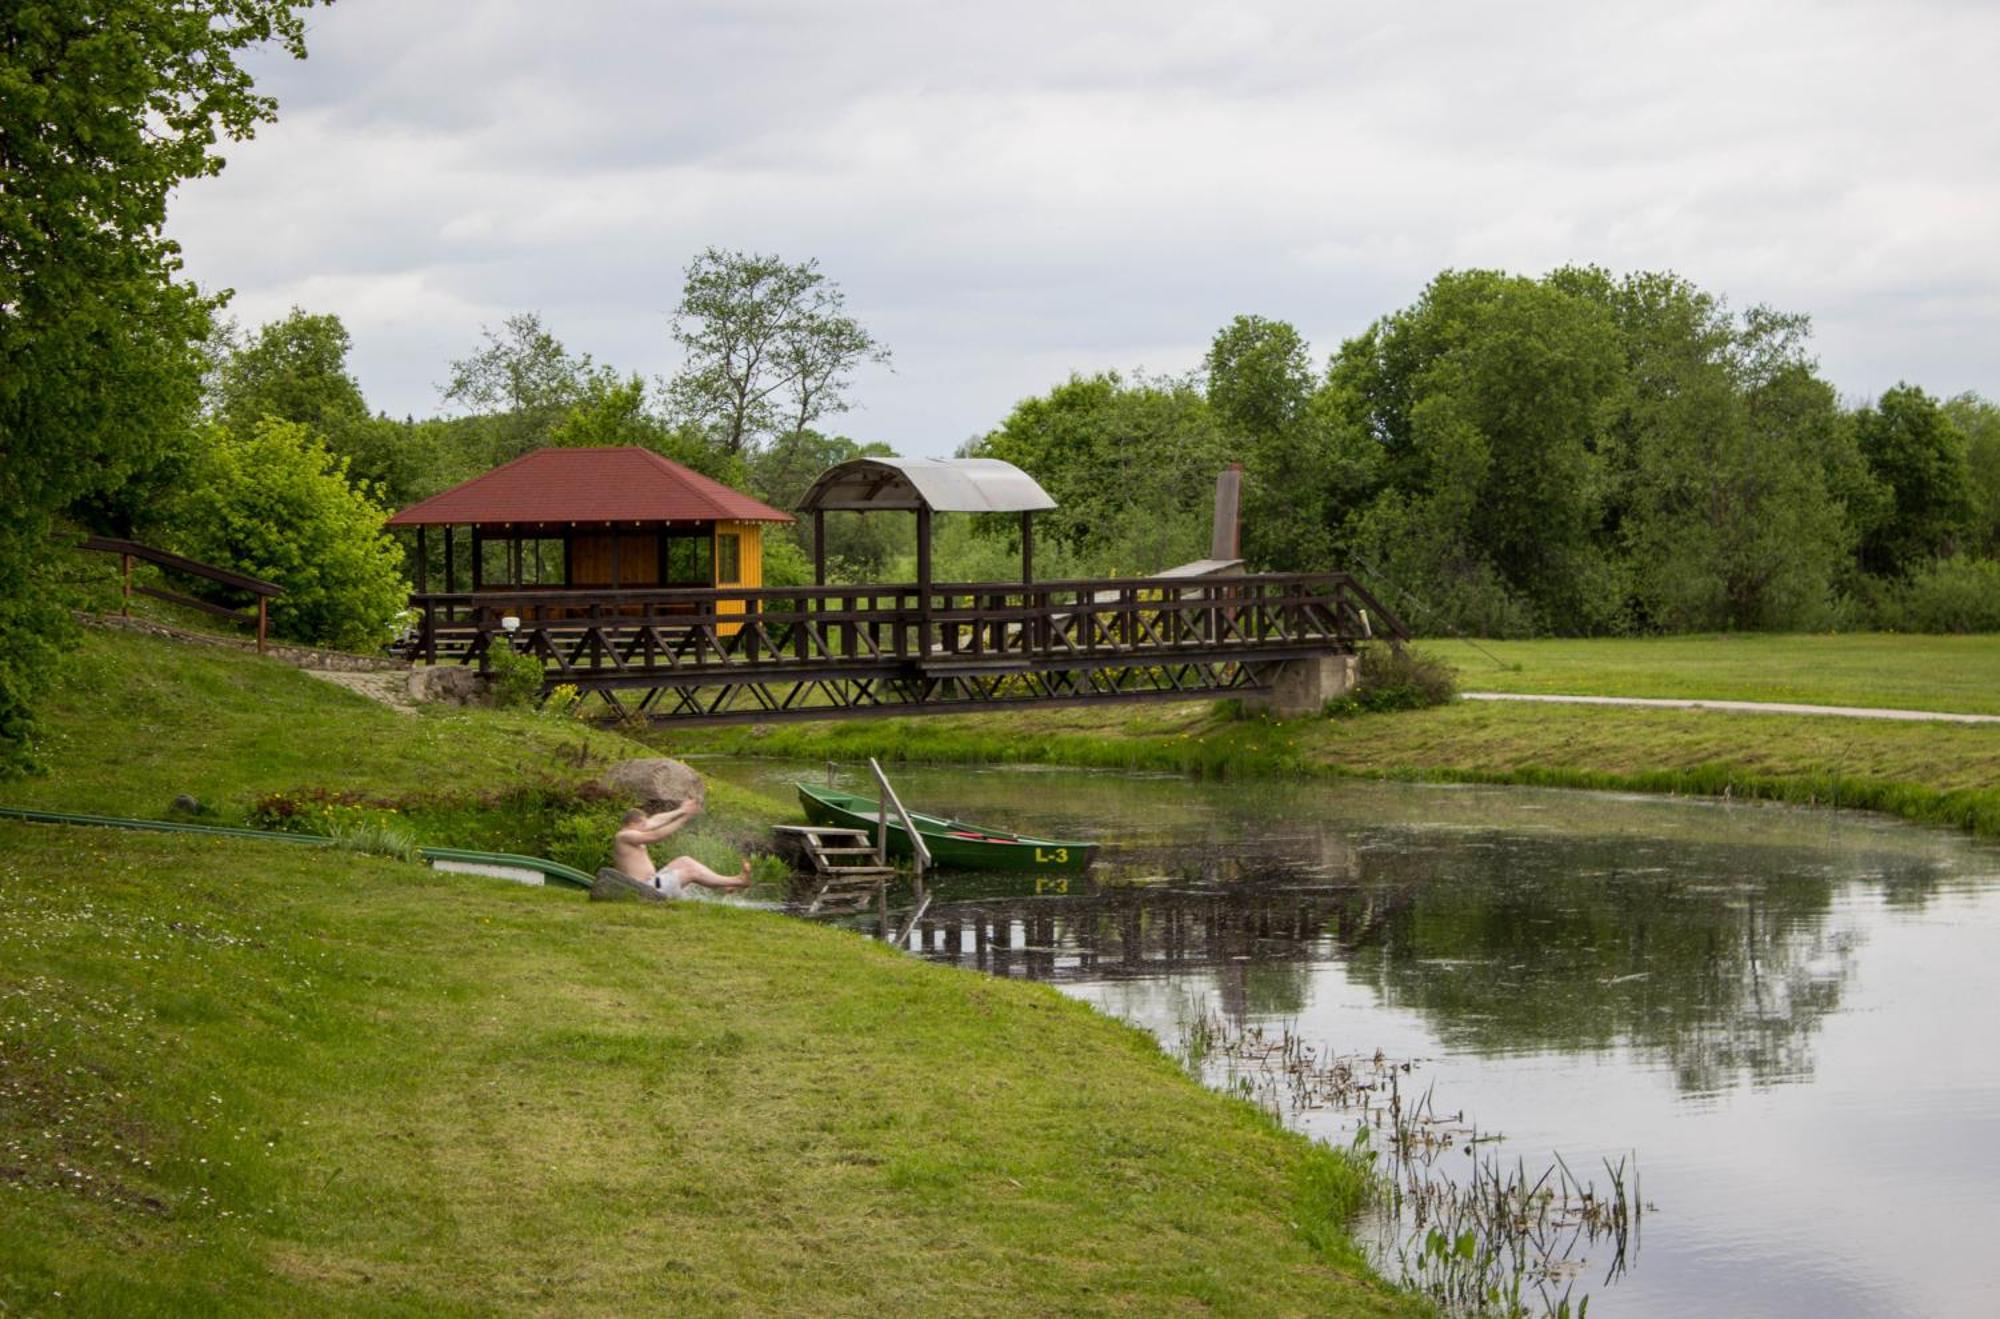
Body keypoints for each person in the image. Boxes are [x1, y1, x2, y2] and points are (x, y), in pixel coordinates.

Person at [609, 800, 752, 898]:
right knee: (691, 872)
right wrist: (683, 819)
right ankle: (739, 881)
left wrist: (681, 810)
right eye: (643, 824)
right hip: (645, 889)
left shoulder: (633, 832)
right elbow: (655, 836)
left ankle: (726, 885)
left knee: (685, 861)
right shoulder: (623, 836)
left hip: (653, 882)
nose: (647, 825)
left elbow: (656, 820)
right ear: (633, 823)